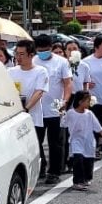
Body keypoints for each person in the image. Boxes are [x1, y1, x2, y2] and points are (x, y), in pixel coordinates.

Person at [33, 34, 71, 183]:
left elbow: (68, 83)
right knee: (36, 141)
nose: (43, 52)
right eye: (40, 50)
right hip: (37, 108)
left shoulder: (61, 62)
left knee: (56, 142)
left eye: (46, 50)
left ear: (51, 48)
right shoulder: (33, 61)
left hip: (56, 106)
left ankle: (54, 172)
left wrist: (65, 101)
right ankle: (40, 168)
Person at [9, 40, 51, 175]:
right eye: (17, 54)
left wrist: (26, 108)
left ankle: (40, 167)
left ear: (31, 55)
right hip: (15, 116)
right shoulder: (11, 71)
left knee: (34, 145)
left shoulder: (40, 71)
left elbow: (39, 92)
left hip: (33, 115)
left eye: (22, 54)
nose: (18, 57)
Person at [62, 90, 102, 191]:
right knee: (78, 159)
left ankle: (86, 179)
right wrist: (61, 114)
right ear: (80, 102)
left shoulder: (89, 114)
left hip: (88, 141)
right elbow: (64, 124)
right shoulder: (71, 113)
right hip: (76, 140)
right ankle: (77, 181)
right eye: (87, 101)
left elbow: (97, 126)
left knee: (88, 161)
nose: (89, 103)